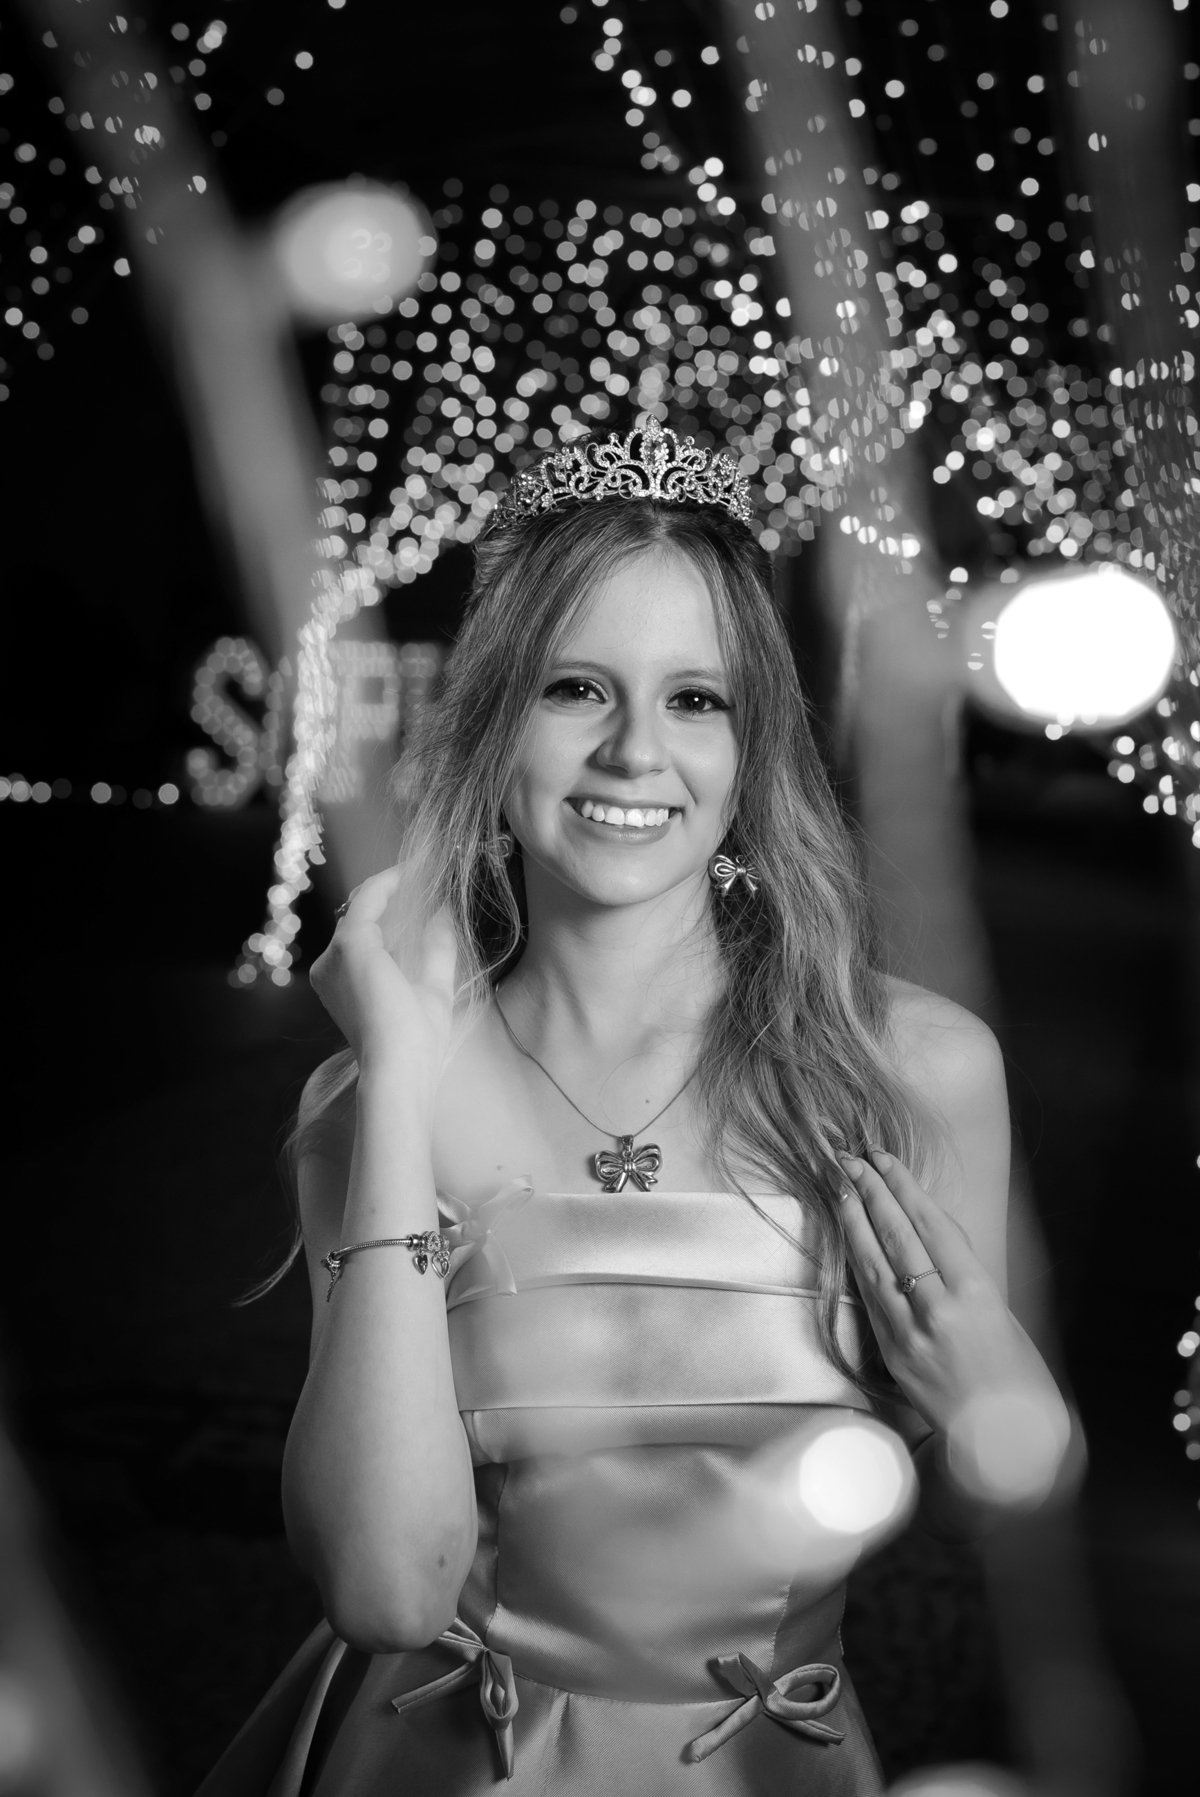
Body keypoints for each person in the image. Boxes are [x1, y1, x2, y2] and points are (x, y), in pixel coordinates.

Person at [198, 419, 1065, 1796]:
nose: (633, 752)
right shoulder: (373, 1096)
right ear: (495, 722)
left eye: (696, 699)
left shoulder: (913, 1068)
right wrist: (407, 1088)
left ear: (753, 744)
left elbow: (1004, 1526)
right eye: (575, 688)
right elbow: (382, 1588)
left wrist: (1004, 1406)